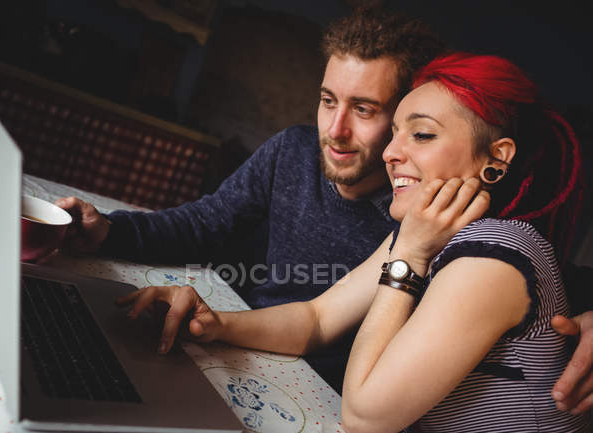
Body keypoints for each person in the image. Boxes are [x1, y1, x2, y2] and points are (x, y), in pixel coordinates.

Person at [56, 6, 593, 412]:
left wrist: (407, 256)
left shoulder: (469, 245)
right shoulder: (421, 225)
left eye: (366, 110)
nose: (340, 132)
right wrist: (212, 319)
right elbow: (313, 316)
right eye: (328, 100)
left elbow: (363, 412)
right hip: (270, 366)